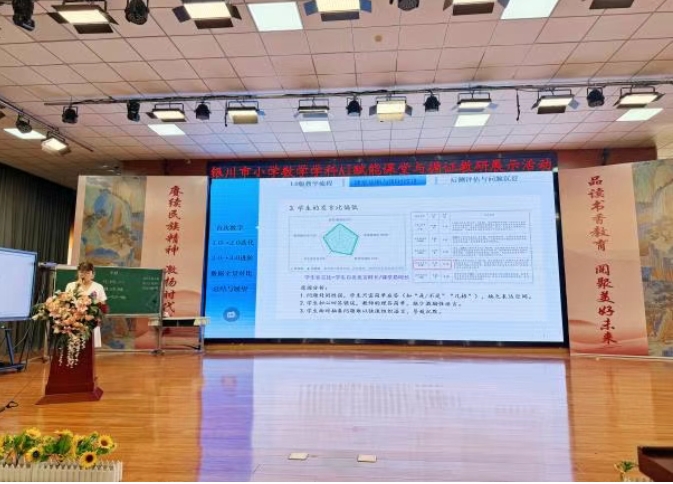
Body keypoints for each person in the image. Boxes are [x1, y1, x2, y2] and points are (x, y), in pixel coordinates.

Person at [65, 261, 108, 348]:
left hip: (90, 324)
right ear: (78, 273)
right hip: (73, 323)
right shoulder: (71, 286)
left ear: (93, 274)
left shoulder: (98, 287)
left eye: (87, 273)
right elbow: (66, 304)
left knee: (88, 349)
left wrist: (93, 316)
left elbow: (103, 307)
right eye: (81, 272)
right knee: (72, 349)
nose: (84, 275)